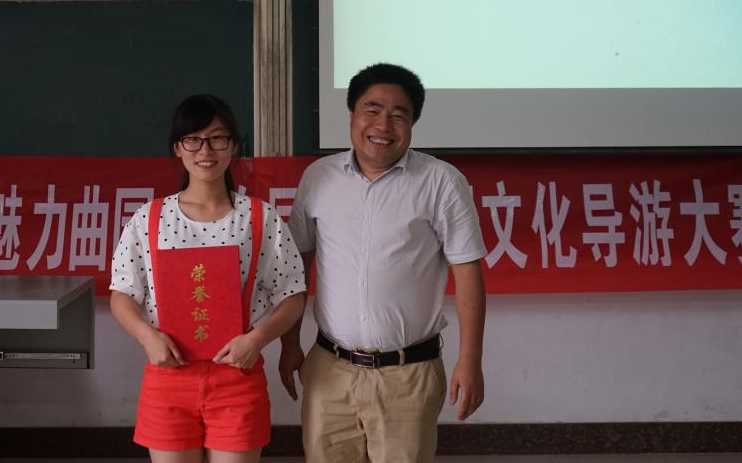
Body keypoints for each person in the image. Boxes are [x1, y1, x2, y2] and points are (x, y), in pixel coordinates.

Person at [278, 63, 488, 462]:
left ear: (412, 124)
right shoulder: (318, 178)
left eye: (398, 115)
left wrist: (470, 360)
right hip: (329, 370)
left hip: (408, 375)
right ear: (352, 115)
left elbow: (468, 273)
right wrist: (290, 344)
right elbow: (297, 268)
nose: (383, 125)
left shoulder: (441, 182)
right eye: (372, 110)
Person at [110, 94, 307, 463]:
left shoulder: (258, 217)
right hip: (168, 375)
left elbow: (292, 292)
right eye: (193, 139)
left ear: (233, 146)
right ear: (178, 148)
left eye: (218, 138)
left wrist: (258, 340)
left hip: (237, 376)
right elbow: (121, 293)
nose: (206, 150)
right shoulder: (149, 219)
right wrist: (147, 337)